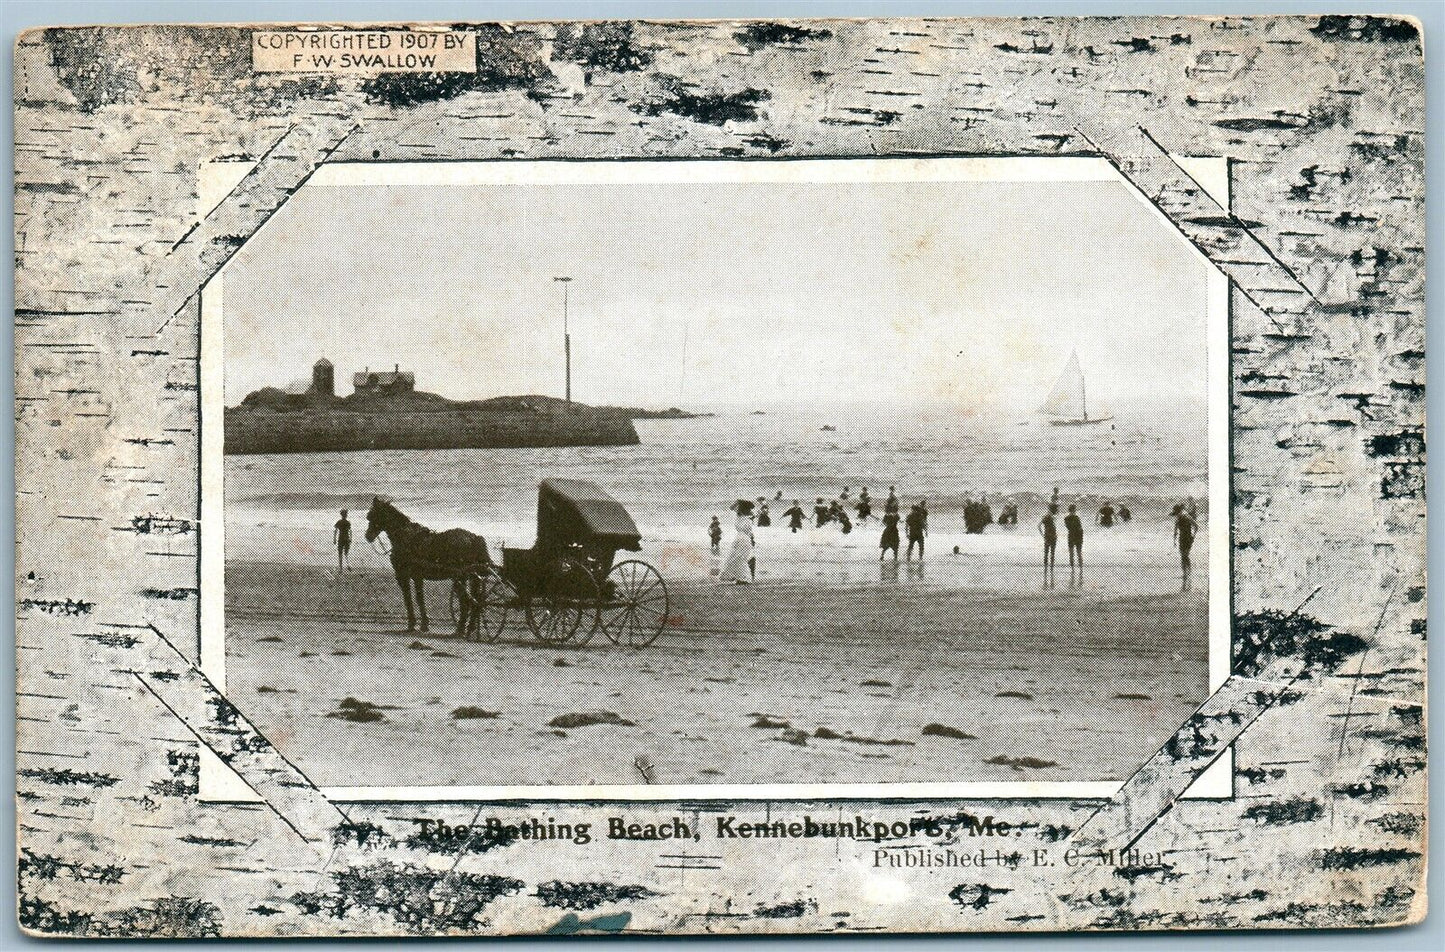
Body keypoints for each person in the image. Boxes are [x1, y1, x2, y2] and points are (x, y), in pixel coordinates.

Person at [721, 500, 755, 584]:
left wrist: (738, 502)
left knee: (737, 558)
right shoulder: (747, 518)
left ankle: (741, 578)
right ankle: (742, 578)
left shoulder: (740, 517)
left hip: (740, 539)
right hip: (743, 539)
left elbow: (731, 508)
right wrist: (739, 501)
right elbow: (732, 508)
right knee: (739, 558)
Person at [1172, 503, 1198, 591]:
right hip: (1182, 539)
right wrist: (1174, 540)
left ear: (1179, 511)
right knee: (1183, 556)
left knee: (1185, 556)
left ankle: (1188, 573)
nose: (1176, 515)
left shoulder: (1186, 516)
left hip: (1187, 539)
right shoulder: (1179, 518)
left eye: (1176, 513)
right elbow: (1175, 530)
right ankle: (1186, 574)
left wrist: (1193, 536)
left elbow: (1196, 526)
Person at [1038, 503, 1058, 583]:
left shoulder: (1047, 516)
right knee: (1051, 553)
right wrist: (1043, 535)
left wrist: (1043, 535)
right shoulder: (1048, 516)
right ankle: (1050, 570)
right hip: (1051, 537)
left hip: (1048, 536)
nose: (1057, 511)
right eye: (1056, 509)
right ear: (1053, 509)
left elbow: (1039, 526)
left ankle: (1046, 570)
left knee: (1047, 553)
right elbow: (1039, 526)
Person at [1064, 503, 1085, 577]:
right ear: (1074, 510)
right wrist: (1081, 537)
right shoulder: (1077, 517)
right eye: (1074, 510)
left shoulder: (1066, 518)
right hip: (1078, 536)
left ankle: (1072, 569)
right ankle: (1081, 569)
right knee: (1079, 552)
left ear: (1069, 510)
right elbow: (1080, 528)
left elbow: (1068, 527)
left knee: (1071, 553)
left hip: (1071, 536)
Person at [333, 509, 352, 575]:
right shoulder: (347, 522)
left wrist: (334, 539)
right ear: (346, 515)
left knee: (340, 553)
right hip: (346, 539)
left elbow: (335, 531)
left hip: (341, 539)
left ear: (341, 515)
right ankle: (347, 565)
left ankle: (341, 568)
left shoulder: (339, 522)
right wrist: (351, 539)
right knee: (346, 553)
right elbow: (350, 531)